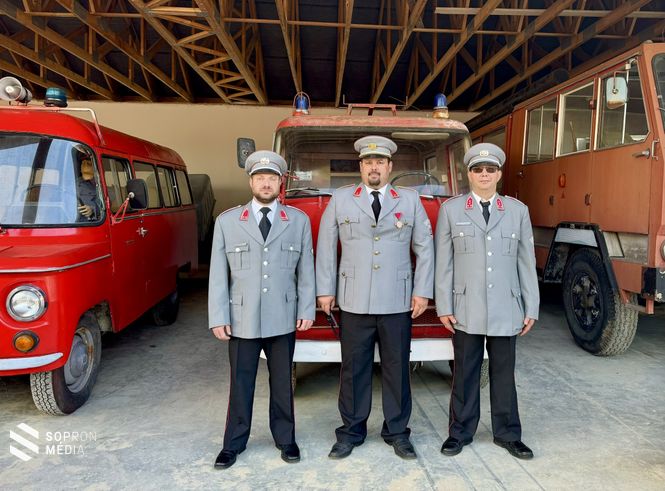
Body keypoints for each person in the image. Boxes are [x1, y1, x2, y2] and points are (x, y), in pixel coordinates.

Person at [316, 135, 434, 460]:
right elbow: (326, 247)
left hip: (397, 299)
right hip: (354, 299)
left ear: (389, 166)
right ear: (361, 167)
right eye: (368, 162)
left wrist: (422, 290)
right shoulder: (341, 199)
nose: (374, 167)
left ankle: (397, 432)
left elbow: (425, 247)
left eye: (380, 161)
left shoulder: (409, 200)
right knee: (354, 369)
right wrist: (325, 290)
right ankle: (351, 432)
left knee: (397, 369)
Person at [208, 150, 315, 469]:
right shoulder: (228, 221)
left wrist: (306, 308)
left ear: (280, 183)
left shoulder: (297, 221)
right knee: (241, 384)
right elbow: (218, 274)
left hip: (282, 316)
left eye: (271, 178)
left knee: (282, 383)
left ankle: (286, 439)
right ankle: (233, 443)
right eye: (260, 178)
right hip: (241, 318)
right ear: (251, 182)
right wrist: (218, 316)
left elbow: (306, 270)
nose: (266, 183)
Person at [435, 142, 539, 460]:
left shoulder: (517, 211)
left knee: (504, 374)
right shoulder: (451, 210)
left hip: (507, 306)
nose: (484, 174)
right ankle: (460, 432)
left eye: (490, 169)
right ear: (469, 174)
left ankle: (508, 434)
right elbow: (443, 263)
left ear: (499, 174)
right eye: (478, 169)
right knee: (465, 373)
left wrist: (531, 306)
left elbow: (526, 261)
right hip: (466, 306)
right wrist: (444, 306)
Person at [76, 155, 100, 221]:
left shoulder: (101, 184)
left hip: (94, 222)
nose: (85, 165)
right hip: (76, 221)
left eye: (89, 163)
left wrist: (93, 209)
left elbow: (106, 205)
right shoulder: (73, 184)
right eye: (83, 163)